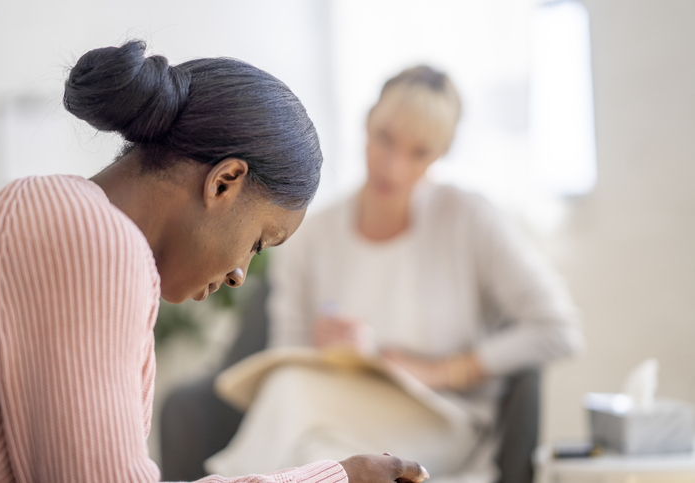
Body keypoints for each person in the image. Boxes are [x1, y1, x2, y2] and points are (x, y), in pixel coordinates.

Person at [0, 41, 429, 483]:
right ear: (225, 182)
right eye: (256, 243)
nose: (238, 275)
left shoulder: (52, 212)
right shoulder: (89, 239)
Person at [206, 66, 585, 483]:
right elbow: (286, 351)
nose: (394, 166)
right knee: (315, 450)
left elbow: (559, 329)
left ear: (441, 153)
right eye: (384, 139)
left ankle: (224, 476)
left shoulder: (469, 219)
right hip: (338, 408)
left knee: (296, 398)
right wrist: (322, 348)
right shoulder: (312, 233)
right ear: (367, 122)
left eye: (419, 152)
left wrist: (439, 371)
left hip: (444, 419)